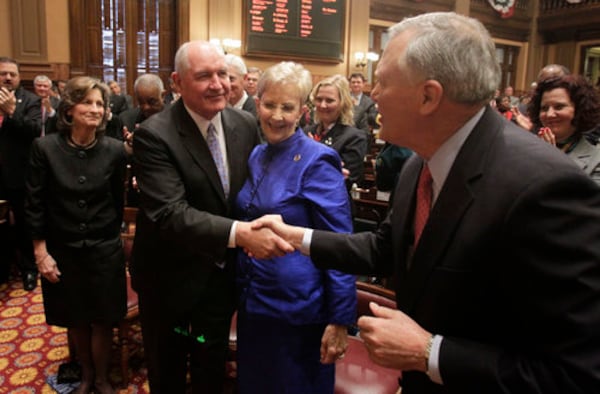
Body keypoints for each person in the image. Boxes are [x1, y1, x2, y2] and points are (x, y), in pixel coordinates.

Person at [254, 12, 600, 393]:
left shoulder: (544, 187)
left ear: (428, 96)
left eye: (383, 82)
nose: (372, 93)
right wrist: (297, 237)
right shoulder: (421, 162)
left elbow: (576, 372)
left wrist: (430, 352)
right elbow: (385, 248)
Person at [130, 40, 292, 394]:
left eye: (223, 74)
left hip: (219, 281)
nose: (218, 84)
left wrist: (310, 174)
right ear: (176, 83)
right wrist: (242, 235)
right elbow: (171, 214)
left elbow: (263, 181)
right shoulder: (155, 136)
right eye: (204, 76)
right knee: (168, 372)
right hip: (168, 283)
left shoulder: (245, 124)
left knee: (210, 369)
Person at [234, 61, 356, 394]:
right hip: (254, 301)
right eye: (270, 105)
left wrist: (340, 318)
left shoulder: (319, 160)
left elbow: (339, 243)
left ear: (302, 111)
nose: (277, 115)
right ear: (257, 104)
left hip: (298, 310)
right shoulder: (257, 154)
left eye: (287, 107)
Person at [25, 76, 127, 394]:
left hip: (103, 249)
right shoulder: (44, 148)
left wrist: (111, 241)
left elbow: (117, 201)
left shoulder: (114, 150)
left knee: (103, 318)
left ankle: (102, 378)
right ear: (69, 108)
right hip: (63, 248)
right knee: (77, 319)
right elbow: (34, 203)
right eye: (87, 102)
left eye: (100, 103)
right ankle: (84, 375)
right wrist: (41, 252)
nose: (95, 109)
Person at [0, 57, 42, 290]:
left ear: (18, 77)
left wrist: (12, 112)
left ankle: (29, 269)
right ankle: (3, 269)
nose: (7, 78)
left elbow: (35, 131)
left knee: (25, 225)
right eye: (3, 74)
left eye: (12, 74)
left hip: (19, 174)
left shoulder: (30, 101)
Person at [528, 74, 600, 184]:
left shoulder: (596, 160)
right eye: (544, 108)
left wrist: (552, 162)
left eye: (559, 107)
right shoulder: (525, 148)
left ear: (579, 110)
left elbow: (584, 200)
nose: (550, 114)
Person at [305, 75, 368, 190]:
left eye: (329, 100)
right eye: (319, 99)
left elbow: (346, 181)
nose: (322, 105)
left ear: (342, 103)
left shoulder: (354, 137)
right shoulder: (307, 132)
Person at [119, 73, 167, 206]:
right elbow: (117, 158)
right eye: (141, 102)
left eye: (151, 102)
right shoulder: (126, 119)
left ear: (163, 95)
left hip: (167, 191)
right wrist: (129, 146)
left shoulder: (175, 119)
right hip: (136, 195)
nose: (145, 107)